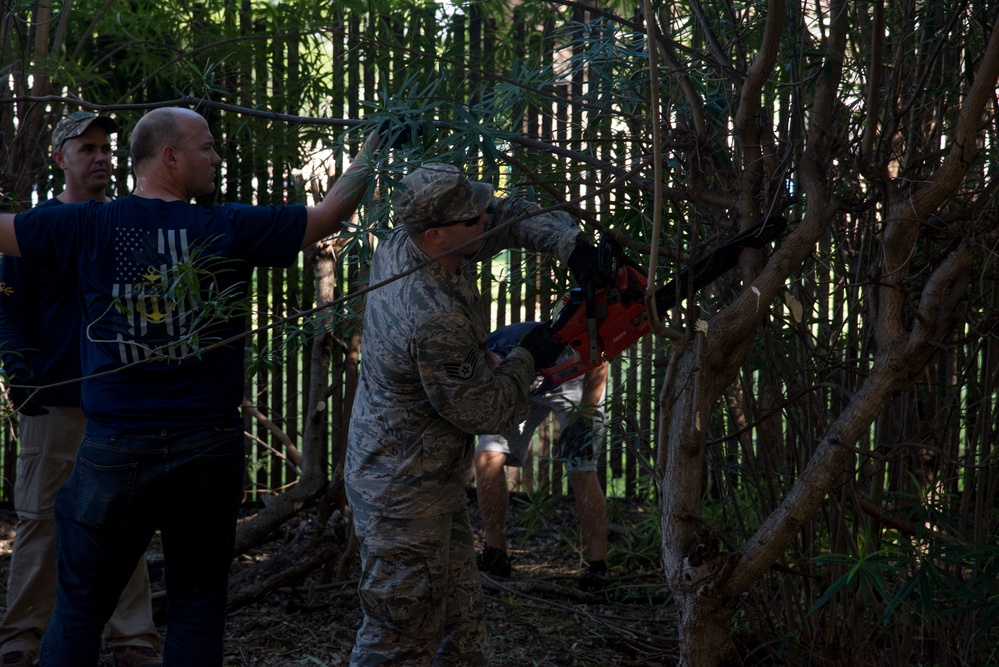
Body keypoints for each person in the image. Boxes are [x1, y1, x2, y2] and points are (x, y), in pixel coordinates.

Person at [0, 106, 383, 666]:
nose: (217, 156)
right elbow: (331, 214)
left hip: (117, 451)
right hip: (203, 449)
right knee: (197, 606)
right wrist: (375, 149)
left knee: (80, 606)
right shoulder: (220, 226)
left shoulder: (90, 224)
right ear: (170, 156)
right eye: (206, 147)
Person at [345, 162, 607, 665]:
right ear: (438, 232)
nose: (485, 220)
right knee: (398, 642)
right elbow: (487, 409)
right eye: (474, 217)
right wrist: (529, 353)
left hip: (429, 481)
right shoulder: (430, 315)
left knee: (461, 630)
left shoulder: (411, 243)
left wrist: (568, 243)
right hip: (401, 496)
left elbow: (505, 217)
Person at [0, 111, 163, 667]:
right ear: (59, 157)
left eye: (105, 148)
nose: (99, 156)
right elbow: (10, 306)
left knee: (125, 517)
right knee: (41, 518)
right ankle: (23, 636)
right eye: (86, 147)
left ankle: (131, 638)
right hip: (53, 399)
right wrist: (18, 369)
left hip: (119, 401)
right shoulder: (34, 227)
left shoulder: (125, 223)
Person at [474, 321, 611, 592]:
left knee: (580, 466)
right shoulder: (482, 357)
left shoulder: (546, 343)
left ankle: (599, 567)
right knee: (486, 457)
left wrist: (585, 413)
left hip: (573, 381)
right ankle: (495, 555)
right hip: (524, 389)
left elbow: (600, 359)